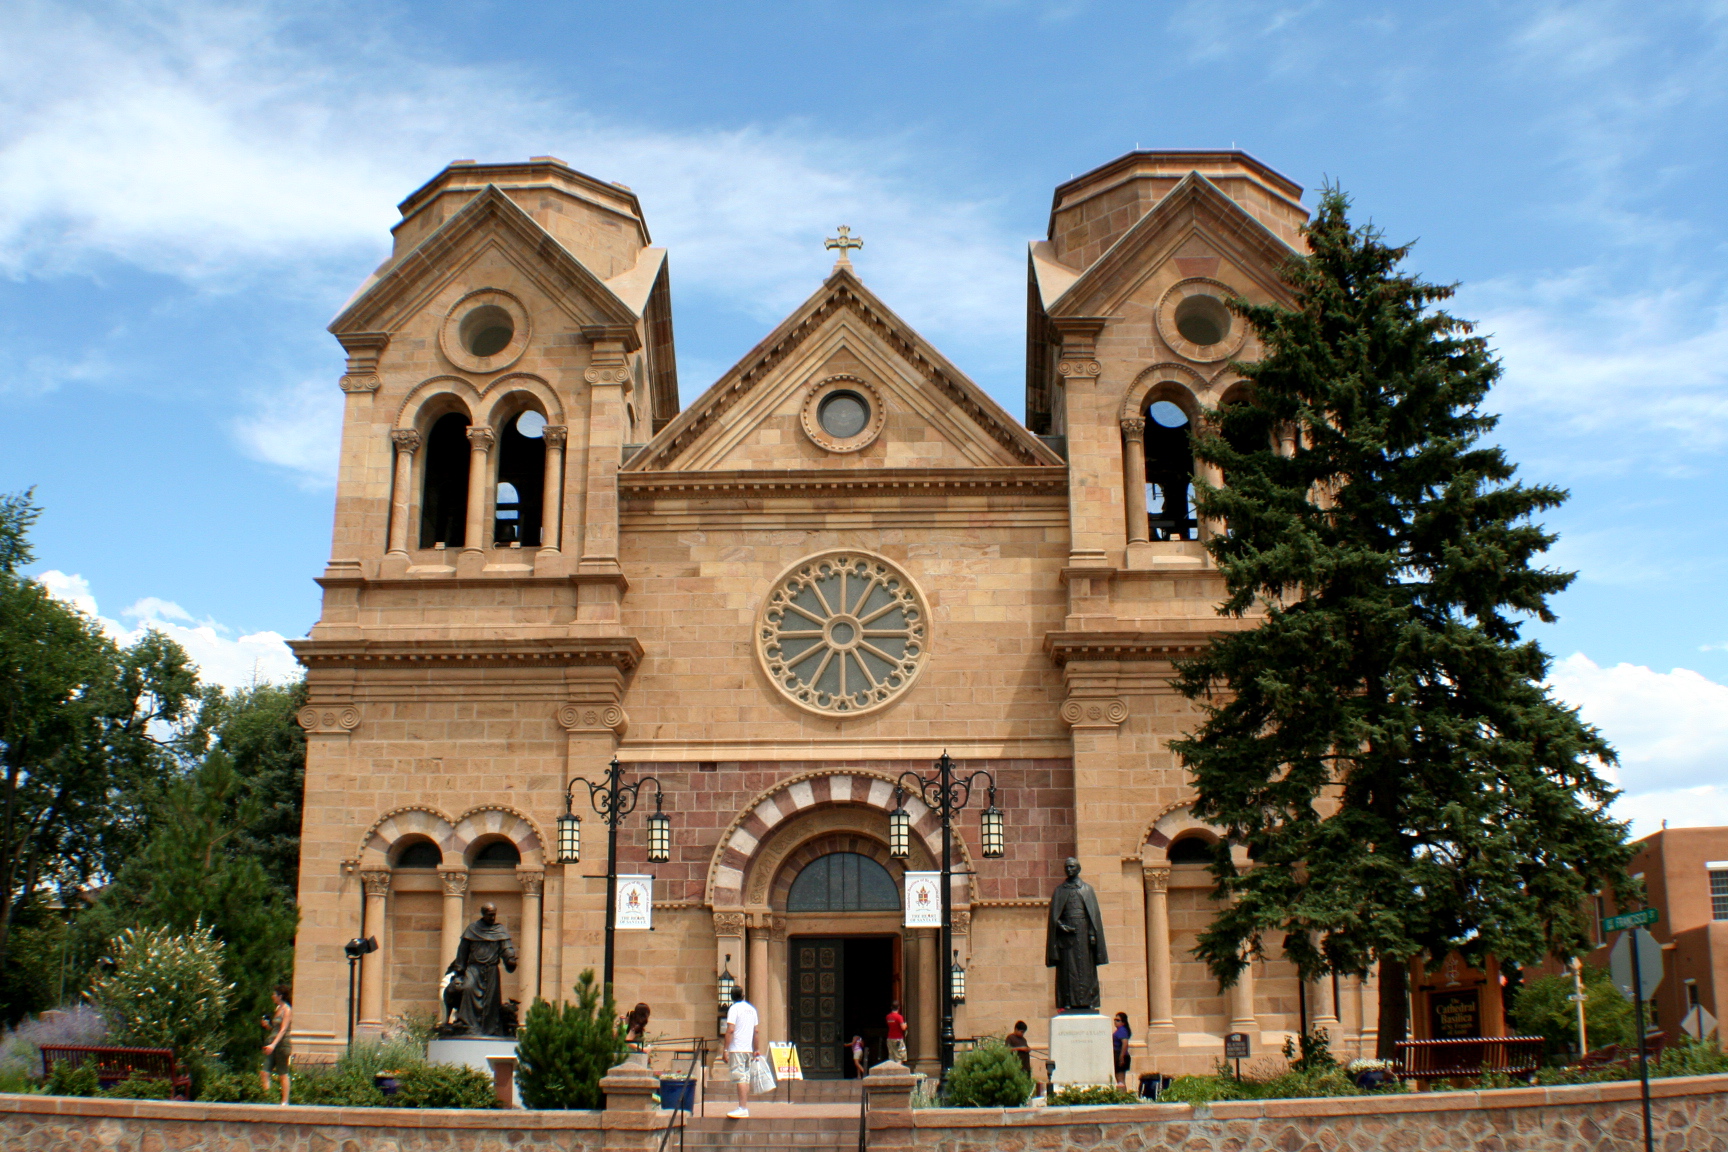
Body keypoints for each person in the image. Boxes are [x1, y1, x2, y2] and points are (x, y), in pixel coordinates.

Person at [723, 984, 759, 1119]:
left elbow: (730, 1030)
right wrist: (756, 1049)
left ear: (732, 997)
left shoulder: (734, 1009)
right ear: (743, 995)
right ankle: (743, 1105)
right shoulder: (752, 1009)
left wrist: (725, 1049)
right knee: (745, 1077)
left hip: (737, 1048)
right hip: (748, 1049)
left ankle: (743, 1107)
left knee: (740, 1077)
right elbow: (756, 1031)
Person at [259, 984, 292, 1105]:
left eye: (274, 994)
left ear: (280, 996)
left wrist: (273, 1045)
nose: (272, 996)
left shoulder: (287, 1010)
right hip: (272, 1044)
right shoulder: (277, 1008)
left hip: (282, 1045)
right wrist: (267, 1026)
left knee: (282, 1073)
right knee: (265, 1072)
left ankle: (285, 1101)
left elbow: (283, 1030)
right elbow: (275, 1029)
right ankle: (268, 1099)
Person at [1112, 1012, 1132, 1089]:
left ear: (1123, 1022)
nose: (1115, 1022)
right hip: (1117, 1054)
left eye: (1118, 1020)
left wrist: (1121, 1057)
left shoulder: (1122, 1030)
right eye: (1115, 1019)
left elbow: (1125, 1043)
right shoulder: (1119, 1030)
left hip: (1120, 1054)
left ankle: (1122, 1097)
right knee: (1119, 1080)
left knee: (1120, 1081)